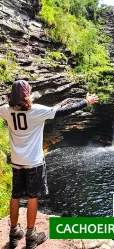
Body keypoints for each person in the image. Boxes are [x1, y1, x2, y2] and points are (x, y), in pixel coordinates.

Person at [0, 80, 99, 249]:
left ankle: (14, 232)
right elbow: (63, 111)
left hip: (17, 162)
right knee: (32, 197)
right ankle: (31, 236)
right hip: (34, 162)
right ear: (27, 94)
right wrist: (86, 102)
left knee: (15, 196)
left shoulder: (5, 110)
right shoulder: (37, 111)